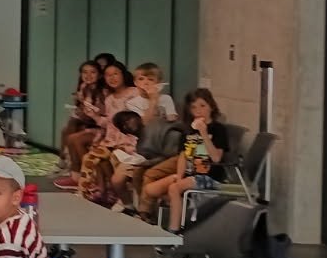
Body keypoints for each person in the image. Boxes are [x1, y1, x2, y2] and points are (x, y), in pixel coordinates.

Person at [138, 89, 228, 230]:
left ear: (211, 106)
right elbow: (183, 156)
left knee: (174, 188)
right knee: (151, 189)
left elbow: (216, 158)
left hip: (209, 175)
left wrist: (204, 133)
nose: (198, 111)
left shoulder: (218, 129)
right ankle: (181, 207)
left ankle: (174, 231)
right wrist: (179, 176)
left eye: (202, 106)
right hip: (190, 174)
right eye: (193, 107)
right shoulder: (188, 131)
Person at [56, 61, 146, 190]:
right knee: (89, 155)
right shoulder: (109, 98)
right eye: (108, 75)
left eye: (115, 74)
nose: (112, 78)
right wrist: (93, 115)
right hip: (111, 140)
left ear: (123, 74)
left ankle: (100, 187)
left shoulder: (134, 93)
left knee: (79, 140)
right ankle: (94, 189)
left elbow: (139, 121)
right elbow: (107, 122)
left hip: (129, 142)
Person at [79, 110, 144, 208]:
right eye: (125, 124)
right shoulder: (110, 102)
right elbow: (107, 126)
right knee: (99, 159)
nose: (127, 124)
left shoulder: (141, 123)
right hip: (114, 144)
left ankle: (120, 197)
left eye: (128, 121)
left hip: (128, 149)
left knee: (99, 158)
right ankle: (102, 190)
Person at [60, 61, 106, 169]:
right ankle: (72, 166)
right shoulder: (84, 87)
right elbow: (83, 110)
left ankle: (78, 168)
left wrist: (85, 112)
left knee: (72, 132)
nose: (88, 75)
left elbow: (102, 114)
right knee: (68, 127)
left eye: (92, 72)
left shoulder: (103, 92)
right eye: (84, 72)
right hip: (89, 122)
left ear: (99, 75)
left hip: (101, 126)